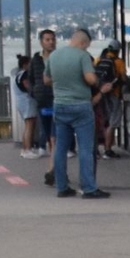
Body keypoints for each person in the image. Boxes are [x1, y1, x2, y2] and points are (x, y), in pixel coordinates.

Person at [48, 26, 105, 197]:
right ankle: (88, 187)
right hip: (80, 106)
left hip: (59, 105)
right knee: (85, 148)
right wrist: (95, 80)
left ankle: (62, 187)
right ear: (83, 42)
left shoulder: (54, 55)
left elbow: (46, 79)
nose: (86, 49)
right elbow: (89, 78)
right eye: (86, 46)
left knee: (60, 148)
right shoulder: (82, 56)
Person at [91, 41, 128, 159]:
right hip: (114, 94)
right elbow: (123, 78)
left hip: (101, 94)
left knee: (103, 121)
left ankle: (96, 149)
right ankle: (107, 150)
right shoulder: (119, 62)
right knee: (113, 122)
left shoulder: (98, 59)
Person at [30, 29, 59, 175]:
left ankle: (53, 169)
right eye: (47, 40)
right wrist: (35, 92)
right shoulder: (36, 60)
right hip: (42, 101)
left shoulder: (60, 57)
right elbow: (30, 79)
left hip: (57, 99)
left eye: (53, 39)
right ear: (41, 42)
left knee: (55, 136)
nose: (51, 42)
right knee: (49, 135)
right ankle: (54, 166)